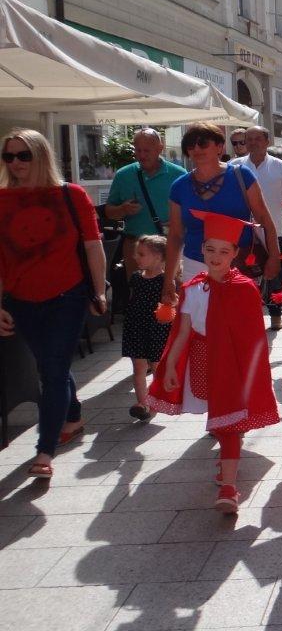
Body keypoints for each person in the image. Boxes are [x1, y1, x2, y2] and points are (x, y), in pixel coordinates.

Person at [147, 211, 280, 512]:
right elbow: (182, 332)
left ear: (235, 253)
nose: (216, 256)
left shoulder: (245, 288)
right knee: (220, 420)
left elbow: (253, 336)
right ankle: (227, 459)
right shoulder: (192, 288)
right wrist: (170, 367)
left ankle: (230, 488)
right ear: (201, 250)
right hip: (204, 359)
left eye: (224, 251)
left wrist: (252, 370)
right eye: (210, 249)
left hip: (233, 364)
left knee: (229, 420)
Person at [0, 129, 107, 479]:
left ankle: (44, 451)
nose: (15, 163)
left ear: (40, 155)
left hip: (68, 296)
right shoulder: (1, 201)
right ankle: (73, 417)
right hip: (20, 299)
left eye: (23, 155)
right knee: (52, 366)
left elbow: (93, 245)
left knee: (53, 370)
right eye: (9, 156)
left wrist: (98, 291)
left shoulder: (71, 195)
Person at [162, 123, 281, 306]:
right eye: (191, 145)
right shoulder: (179, 186)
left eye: (203, 144)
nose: (196, 149)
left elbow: (264, 219)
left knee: (237, 322)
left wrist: (274, 256)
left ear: (219, 146)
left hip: (238, 263)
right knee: (199, 324)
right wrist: (168, 278)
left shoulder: (242, 175)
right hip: (195, 263)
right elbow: (176, 235)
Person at [236, 126, 282, 330]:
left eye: (257, 139)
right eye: (249, 139)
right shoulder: (234, 166)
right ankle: (247, 316)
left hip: (275, 230)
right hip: (243, 233)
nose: (253, 142)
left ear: (267, 141)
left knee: (274, 276)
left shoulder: (280, 167)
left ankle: (275, 314)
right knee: (244, 275)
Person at [104, 128, 187, 279]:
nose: (142, 155)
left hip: (169, 245)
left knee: (171, 293)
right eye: (138, 150)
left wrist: (180, 221)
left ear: (160, 148)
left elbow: (192, 208)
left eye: (147, 150)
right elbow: (109, 212)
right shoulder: (124, 175)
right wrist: (123, 209)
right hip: (136, 248)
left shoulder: (179, 174)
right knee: (138, 294)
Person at [122, 235, 171, 422]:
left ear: (158, 257)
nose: (136, 257)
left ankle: (154, 400)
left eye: (141, 254)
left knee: (157, 367)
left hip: (157, 329)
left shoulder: (165, 280)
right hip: (136, 328)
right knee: (138, 367)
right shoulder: (135, 277)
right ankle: (142, 404)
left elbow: (173, 302)